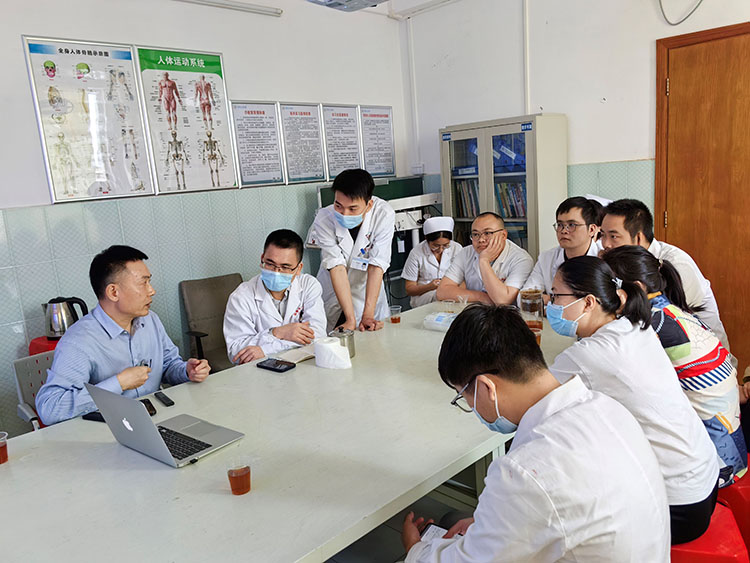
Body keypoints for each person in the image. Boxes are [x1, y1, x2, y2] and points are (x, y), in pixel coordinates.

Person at [402, 305, 670, 561]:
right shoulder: (607, 407)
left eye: (463, 396)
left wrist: (416, 550)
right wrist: (497, 523)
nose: (471, 407)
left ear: (486, 387)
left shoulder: (525, 473)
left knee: (445, 531)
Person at [548, 256, 719, 544]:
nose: (550, 304)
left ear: (588, 302)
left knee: (564, 504)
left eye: (556, 296)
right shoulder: (634, 326)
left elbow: (531, 399)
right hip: (703, 480)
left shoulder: (589, 355)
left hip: (678, 507)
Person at [603, 245, 746, 487]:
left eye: (608, 285)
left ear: (636, 287)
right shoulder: (669, 312)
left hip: (711, 466)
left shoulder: (649, 326)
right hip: (729, 450)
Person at [35, 246, 210, 425]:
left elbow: (168, 365)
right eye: (143, 283)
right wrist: (119, 383)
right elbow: (50, 408)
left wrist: (187, 371)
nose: (151, 291)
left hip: (158, 420)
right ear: (113, 292)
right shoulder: (79, 340)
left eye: (149, 282)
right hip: (110, 430)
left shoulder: (150, 320)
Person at [600, 198, 729, 349]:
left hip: (700, 352)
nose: (605, 244)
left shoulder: (675, 263)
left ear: (639, 238)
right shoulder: (624, 262)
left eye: (613, 236)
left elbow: (660, 320)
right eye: (602, 235)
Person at [223, 229, 326, 365]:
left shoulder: (309, 285)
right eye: (270, 264)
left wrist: (265, 350)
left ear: (298, 268)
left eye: (285, 267)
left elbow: (317, 337)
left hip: (303, 364)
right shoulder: (241, 297)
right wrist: (277, 332)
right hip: (260, 369)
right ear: (262, 258)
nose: (276, 272)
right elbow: (236, 352)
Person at [311, 168, 395, 332]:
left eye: (353, 209)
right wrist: (350, 319)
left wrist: (368, 314)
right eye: (338, 206)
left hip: (367, 294)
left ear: (369, 205)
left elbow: (377, 265)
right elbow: (336, 267)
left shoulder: (383, 214)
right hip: (334, 291)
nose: (344, 214)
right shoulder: (324, 218)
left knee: (373, 341)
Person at [436, 212, 533, 305]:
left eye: (487, 233)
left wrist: (484, 261)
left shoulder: (521, 259)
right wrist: (481, 297)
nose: (481, 240)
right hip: (475, 311)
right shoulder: (465, 253)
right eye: (475, 234)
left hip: (507, 314)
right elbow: (442, 291)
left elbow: (503, 301)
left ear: (503, 235)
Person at [520, 196, 600, 303]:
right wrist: (557, 300)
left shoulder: (605, 258)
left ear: (591, 230)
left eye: (571, 225)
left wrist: (550, 300)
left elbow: (605, 304)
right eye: (560, 225)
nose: (563, 231)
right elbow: (524, 298)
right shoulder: (546, 258)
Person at [402, 216, 462, 308]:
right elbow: (409, 290)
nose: (441, 250)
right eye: (435, 246)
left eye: (445, 245)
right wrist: (429, 286)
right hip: (424, 297)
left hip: (452, 293)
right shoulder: (416, 253)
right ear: (427, 239)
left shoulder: (456, 248)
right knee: (440, 295)